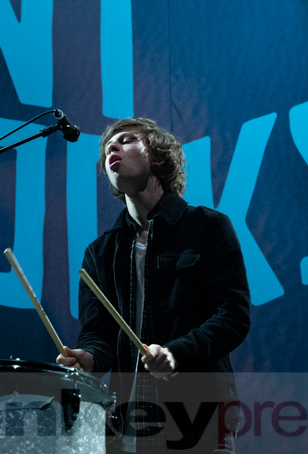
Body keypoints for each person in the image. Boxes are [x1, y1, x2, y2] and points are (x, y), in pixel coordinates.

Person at [57, 118, 251, 453]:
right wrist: (89, 358)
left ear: (159, 157)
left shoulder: (208, 227)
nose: (112, 147)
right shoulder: (100, 253)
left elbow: (232, 316)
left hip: (199, 419)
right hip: (128, 423)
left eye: (126, 140)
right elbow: (99, 333)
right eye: (107, 148)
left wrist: (177, 353)